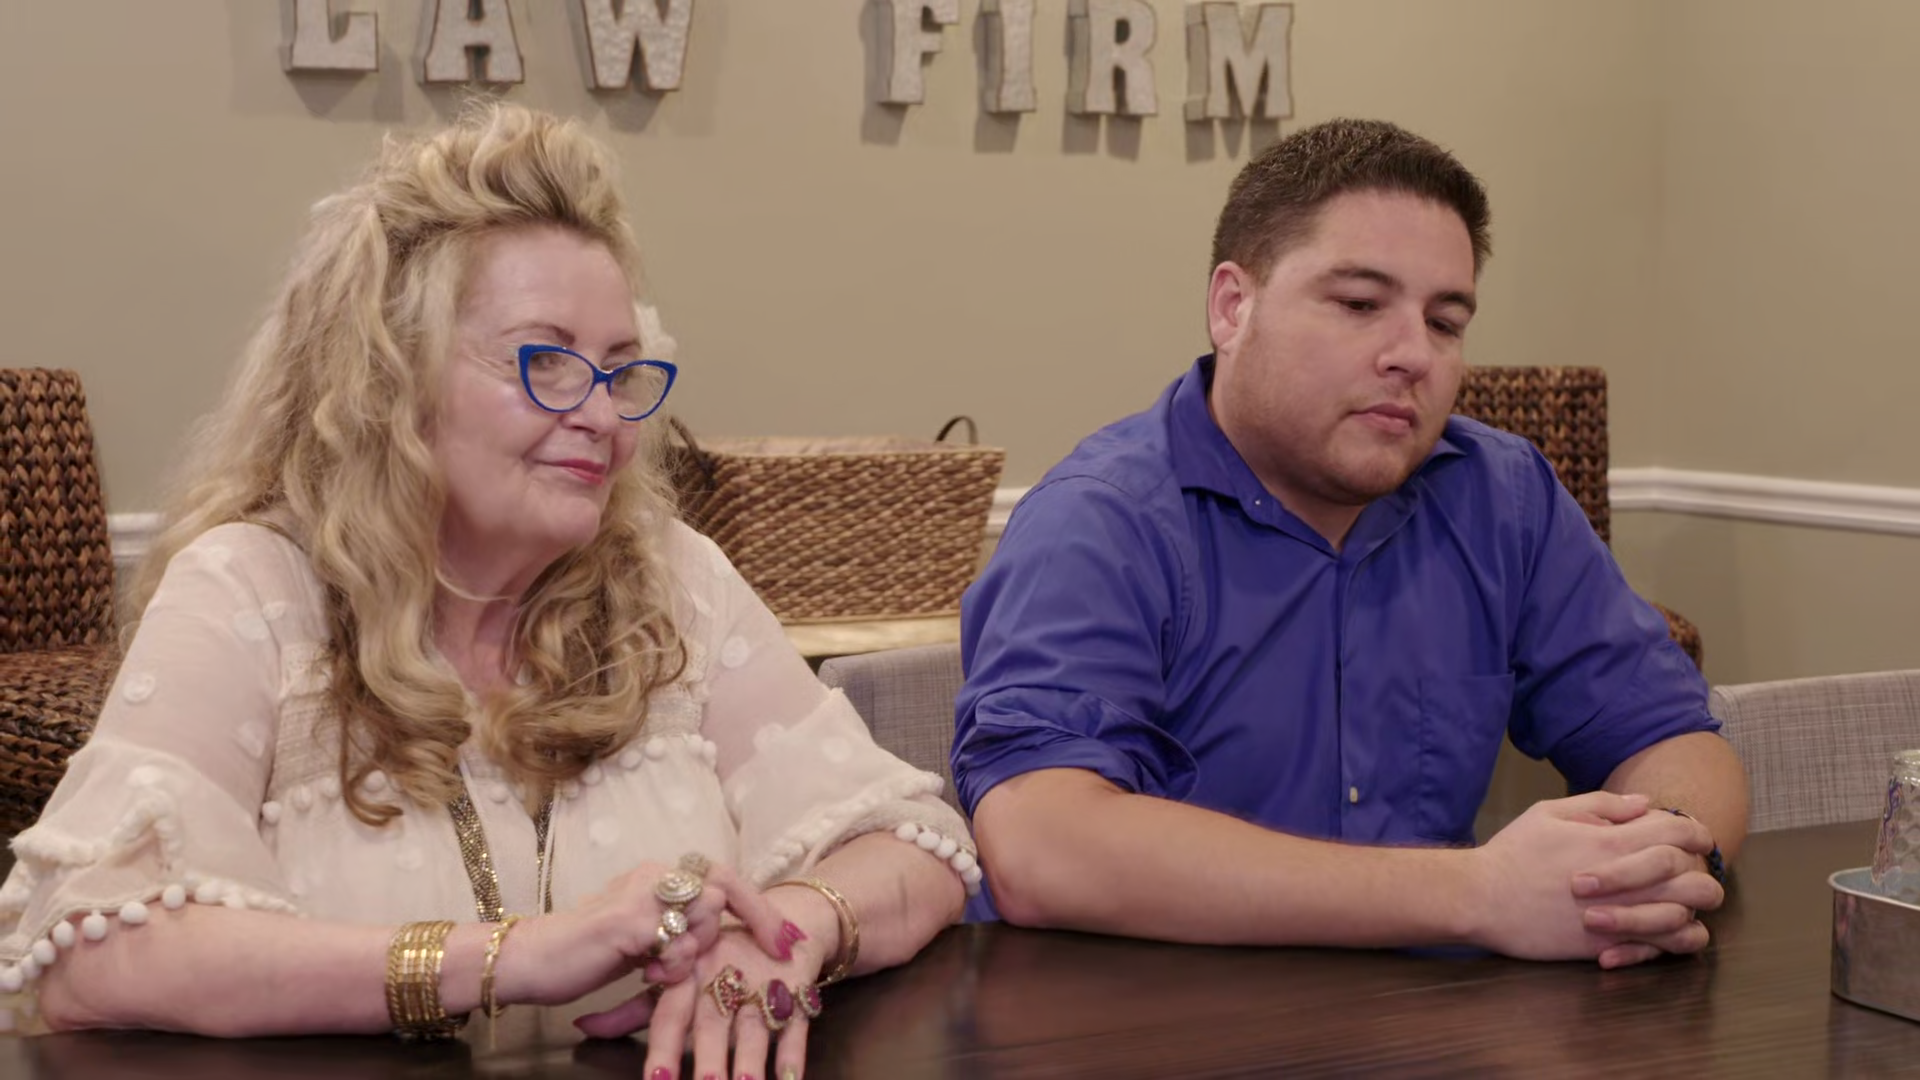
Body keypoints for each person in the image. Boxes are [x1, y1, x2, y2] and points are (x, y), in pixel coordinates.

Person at [0, 103, 976, 1080]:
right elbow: (96, 953)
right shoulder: (253, 591)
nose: (602, 416)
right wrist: (510, 958)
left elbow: (915, 846)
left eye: (619, 371)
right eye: (546, 361)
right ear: (390, 375)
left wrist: (792, 931)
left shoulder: (673, 580)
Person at [953, 118, 1749, 969]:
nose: (1413, 355)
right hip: (1146, 1015)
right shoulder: (1100, 520)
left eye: (1445, 321)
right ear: (1233, 307)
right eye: (1360, 305)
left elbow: (1672, 736)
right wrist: (1476, 894)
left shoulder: (1503, 495)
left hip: (1434, 1018)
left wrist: (1653, 863)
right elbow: (1040, 843)